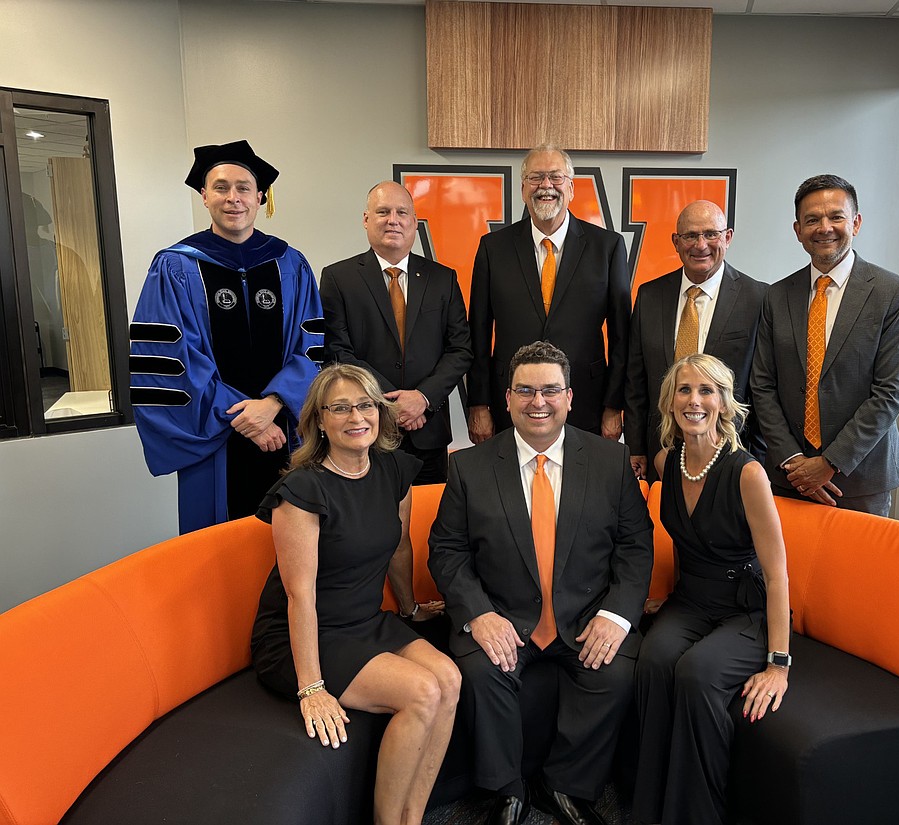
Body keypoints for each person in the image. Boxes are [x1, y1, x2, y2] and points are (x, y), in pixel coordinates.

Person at [429, 341, 652, 825]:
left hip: (586, 615)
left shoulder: (611, 462)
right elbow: (447, 550)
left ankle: (566, 785)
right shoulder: (469, 466)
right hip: (501, 614)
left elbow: (636, 547)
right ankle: (505, 790)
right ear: (507, 398)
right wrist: (479, 616)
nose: (538, 402)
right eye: (525, 390)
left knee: (614, 673)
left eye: (550, 390)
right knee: (484, 673)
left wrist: (615, 616)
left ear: (570, 397)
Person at [250, 363, 459, 825]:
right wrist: (312, 687)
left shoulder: (394, 470)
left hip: (366, 621)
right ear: (318, 421)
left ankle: (412, 817)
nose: (355, 416)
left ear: (380, 413)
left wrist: (409, 609)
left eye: (365, 405)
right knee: (422, 692)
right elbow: (299, 596)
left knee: (449, 679)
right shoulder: (301, 491)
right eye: (339, 408)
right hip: (304, 635)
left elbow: (398, 546)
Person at [129, 140, 323, 533]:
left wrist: (272, 405)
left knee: (292, 539)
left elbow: (313, 348)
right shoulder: (175, 266)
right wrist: (246, 418)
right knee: (216, 552)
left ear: (260, 197)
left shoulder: (291, 263)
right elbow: (172, 361)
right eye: (220, 187)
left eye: (243, 188)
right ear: (204, 196)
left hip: (283, 431)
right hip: (215, 435)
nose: (232, 198)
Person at [634, 353, 791, 825]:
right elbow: (688, 538)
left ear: (724, 403)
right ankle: (650, 809)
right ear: (670, 402)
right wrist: (669, 594)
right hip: (692, 600)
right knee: (654, 661)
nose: (694, 400)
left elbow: (779, 572)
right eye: (684, 390)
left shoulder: (748, 473)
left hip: (744, 610)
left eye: (707, 391)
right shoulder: (666, 461)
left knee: (697, 674)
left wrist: (779, 664)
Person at [750, 174, 899, 517]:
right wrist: (795, 461)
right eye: (812, 220)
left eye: (836, 216)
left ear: (855, 222)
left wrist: (830, 463)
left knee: (858, 571)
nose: (824, 227)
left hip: (860, 479)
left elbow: (890, 392)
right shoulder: (776, 296)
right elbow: (762, 386)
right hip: (788, 476)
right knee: (786, 571)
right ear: (798, 230)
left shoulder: (891, 293)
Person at [466, 144, 631, 444]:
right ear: (522, 188)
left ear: (571, 187)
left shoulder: (607, 247)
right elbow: (477, 332)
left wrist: (613, 406)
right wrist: (478, 404)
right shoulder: (493, 248)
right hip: (511, 401)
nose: (546, 186)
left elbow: (622, 338)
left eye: (555, 177)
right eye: (536, 177)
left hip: (586, 400)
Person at [319, 180, 472, 484]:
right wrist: (390, 403)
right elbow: (338, 351)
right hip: (365, 430)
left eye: (402, 212)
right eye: (383, 212)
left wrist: (423, 398)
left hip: (427, 431)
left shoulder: (442, 279)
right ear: (366, 220)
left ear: (414, 223)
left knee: (428, 522)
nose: (393, 220)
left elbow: (460, 349)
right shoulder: (338, 278)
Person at [624, 200, 766, 482]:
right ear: (676, 242)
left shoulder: (758, 298)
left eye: (711, 234)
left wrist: (757, 458)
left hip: (730, 451)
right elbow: (635, 380)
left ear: (728, 237)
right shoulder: (650, 296)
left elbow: (763, 388)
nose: (701, 244)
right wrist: (636, 447)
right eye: (690, 235)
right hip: (661, 450)